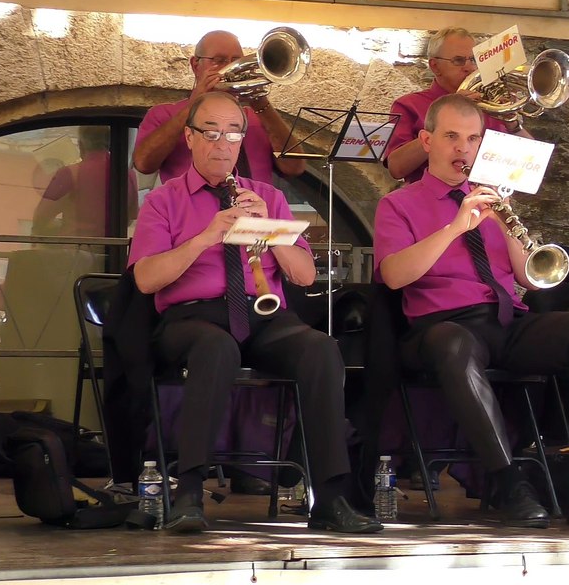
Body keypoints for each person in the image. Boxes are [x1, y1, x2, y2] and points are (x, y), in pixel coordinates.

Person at [373, 94, 569, 527]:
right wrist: (455, 226)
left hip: (504, 320)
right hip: (440, 328)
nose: (463, 149)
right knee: (454, 343)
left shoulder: (492, 200)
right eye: (452, 137)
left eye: (473, 139)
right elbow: (393, 274)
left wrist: (507, 221)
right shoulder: (399, 204)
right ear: (426, 140)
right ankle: (506, 479)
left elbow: (531, 276)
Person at [128, 91, 381, 535]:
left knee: (321, 349)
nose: (222, 143)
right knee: (216, 348)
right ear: (189, 137)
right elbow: (146, 279)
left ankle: (331, 496)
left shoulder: (267, 197)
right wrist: (205, 237)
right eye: (210, 132)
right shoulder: (163, 201)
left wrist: (272, 232)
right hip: (193, 317)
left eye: (232, 133)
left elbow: (303, 278)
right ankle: (188, 493)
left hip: (262, 313)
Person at [133, 30, 305, 183]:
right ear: (195, 65)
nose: (231, 67)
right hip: (193, 216)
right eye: (219, 60)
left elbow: (295, 167)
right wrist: (193, 106)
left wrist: (261, 104)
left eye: (237, 60)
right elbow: (143, 163)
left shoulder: (257, 116)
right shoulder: (164, 114)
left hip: (255, 214)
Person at [384, 27, 530, 183]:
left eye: (473, 60)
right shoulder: (409, 104)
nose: (469, 67)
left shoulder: (489, 104)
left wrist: (513, 124)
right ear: (435, 66)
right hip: (430, 204)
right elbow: (396, 168)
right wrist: (448, 113)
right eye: (458, 60)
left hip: (485, 201)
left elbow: (529, 166)